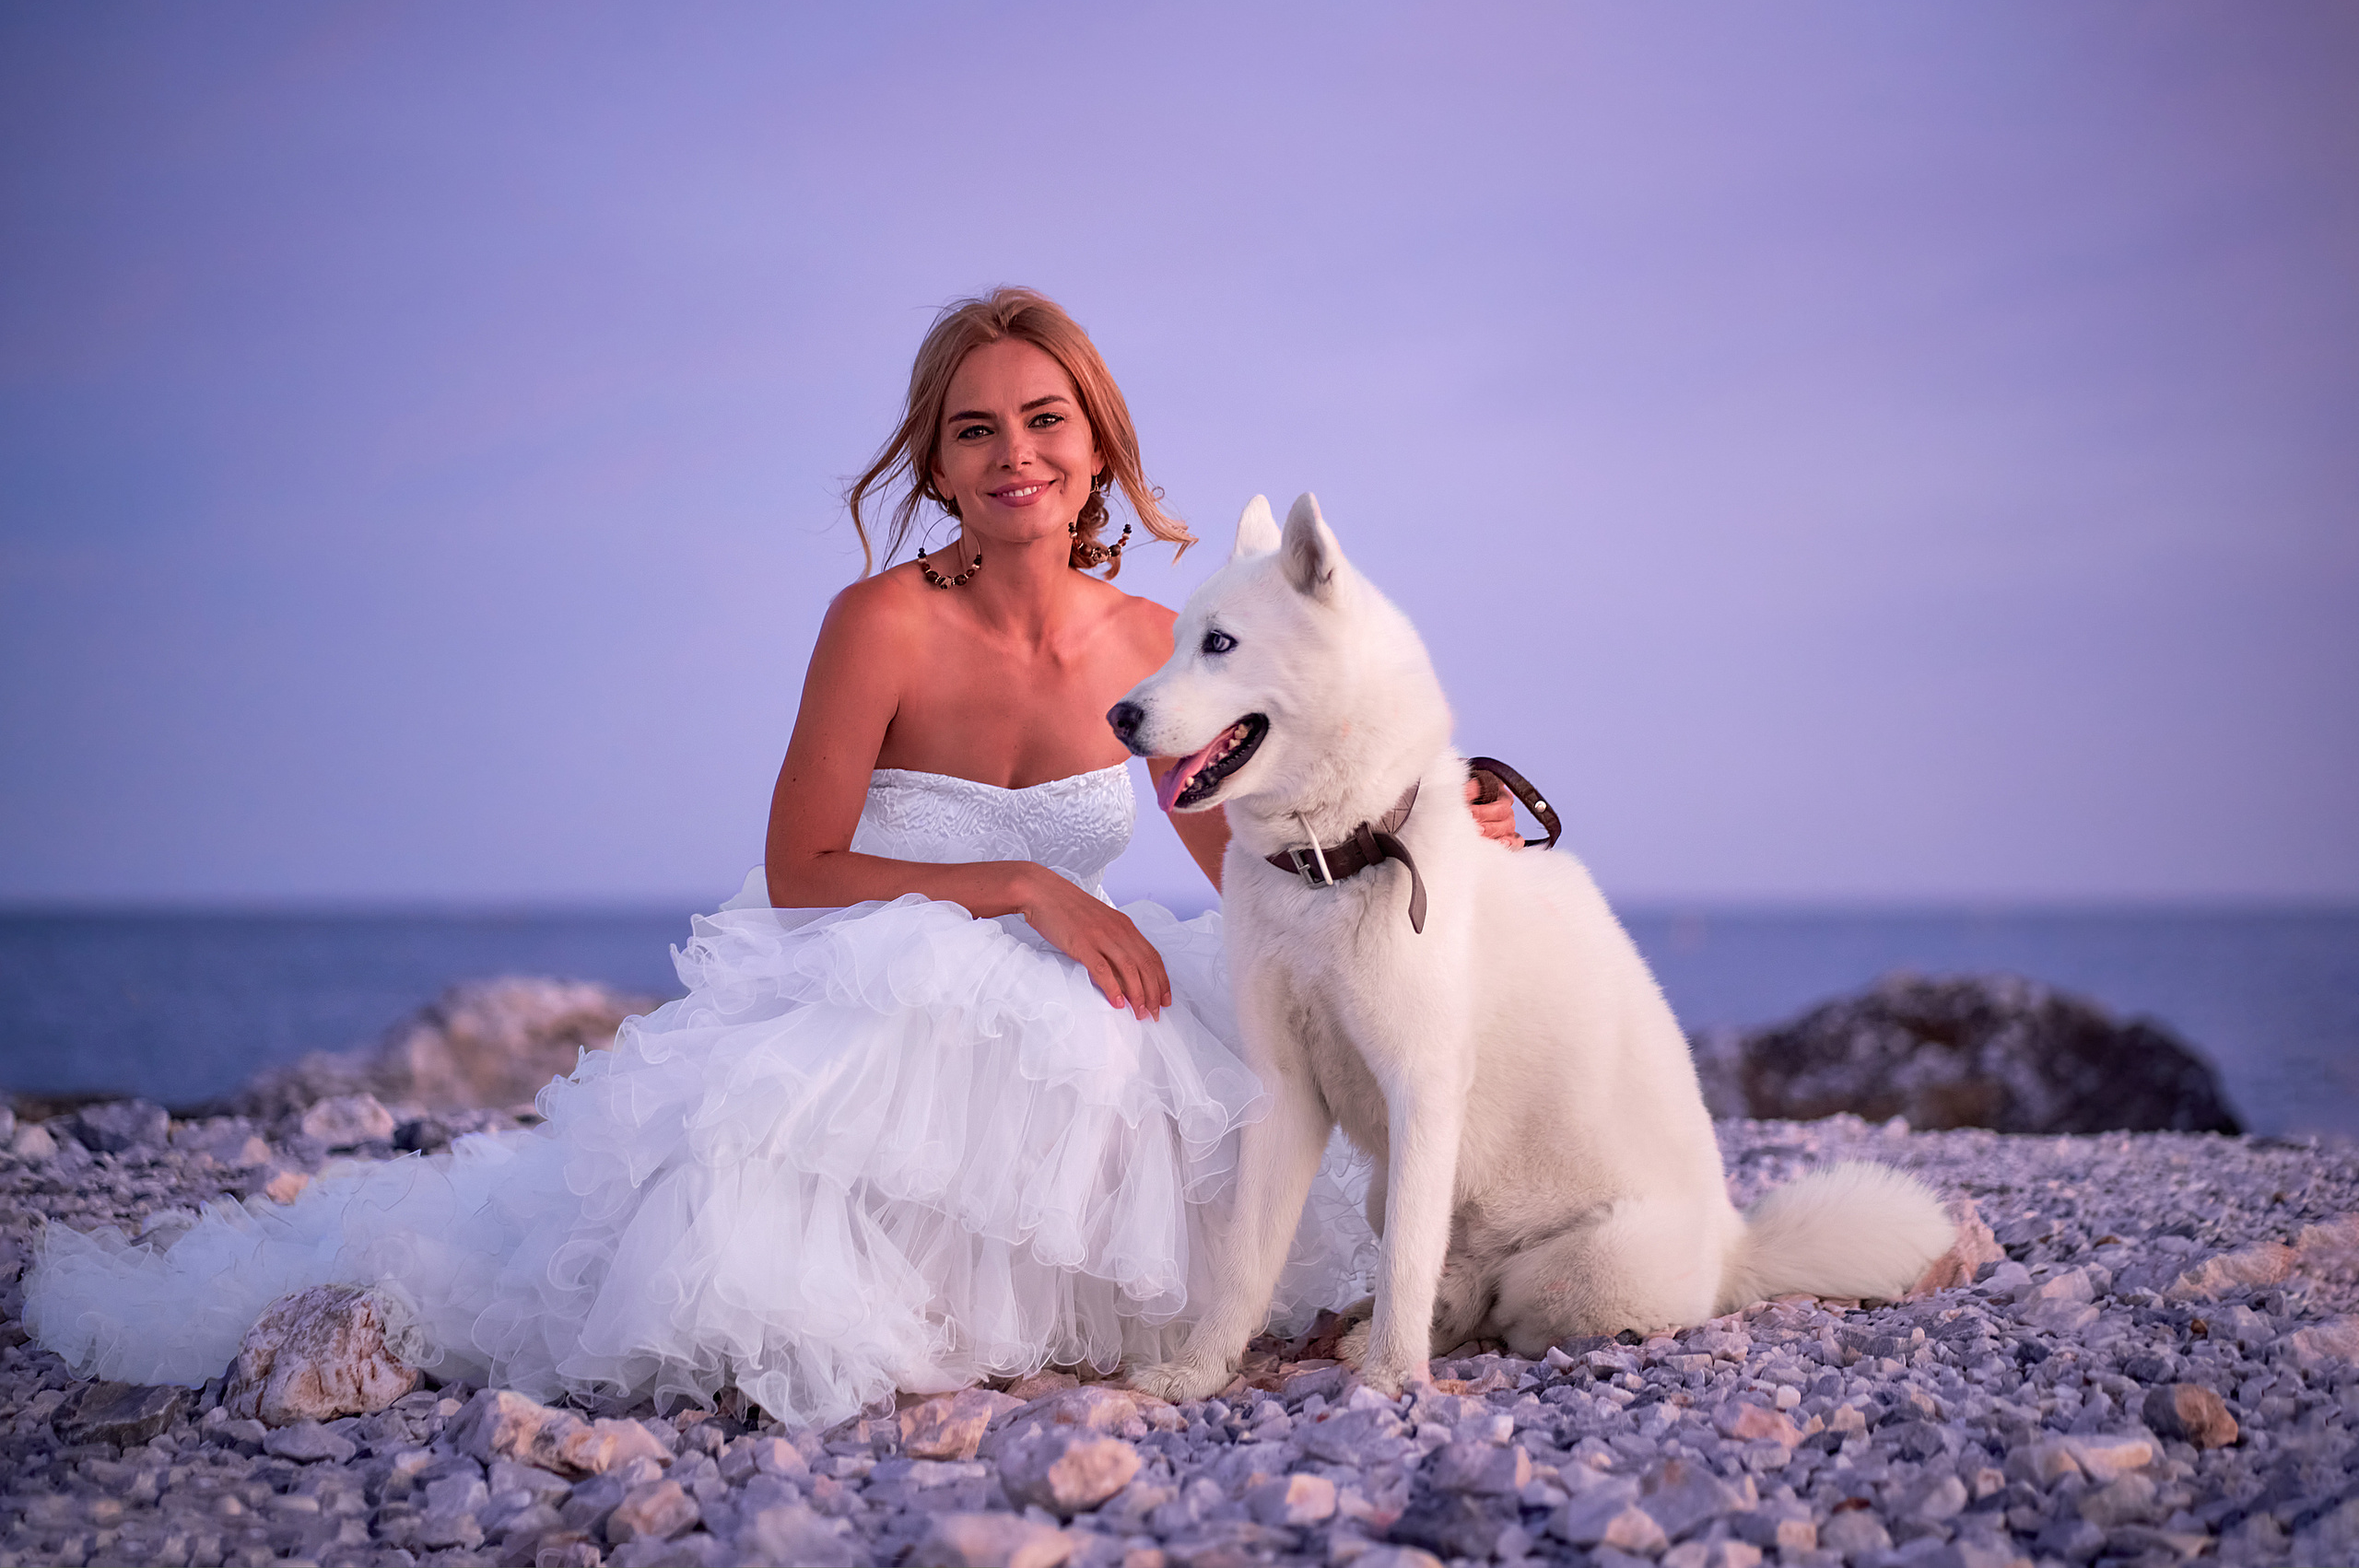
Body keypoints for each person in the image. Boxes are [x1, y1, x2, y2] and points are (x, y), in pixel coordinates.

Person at [25, 287, 1523, 1430]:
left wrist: (1429, 816)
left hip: (1083, 1002)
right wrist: (1021, 883)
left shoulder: (1159, 649)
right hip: (878, 982)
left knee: (1233, 1104)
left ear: (1099, 446)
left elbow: (1245, 847)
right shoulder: (881, 622)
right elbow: (803, 864)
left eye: (1047, 420)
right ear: (937, 465)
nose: (1017, 454)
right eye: (976, 429)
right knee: (750, 1273)